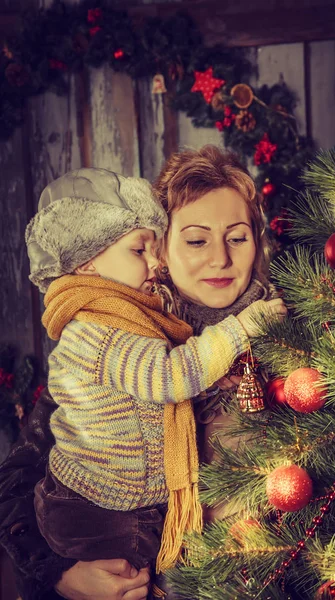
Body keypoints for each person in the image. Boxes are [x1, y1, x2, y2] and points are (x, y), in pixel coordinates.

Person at [0, 146, 286, 599]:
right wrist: (61, 573)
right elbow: (18, 482)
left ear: (258, 241)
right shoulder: (118, 341)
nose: (220, 259)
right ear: (161, 249)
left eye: (237, 237)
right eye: (195, 240)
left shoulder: (297, 338)